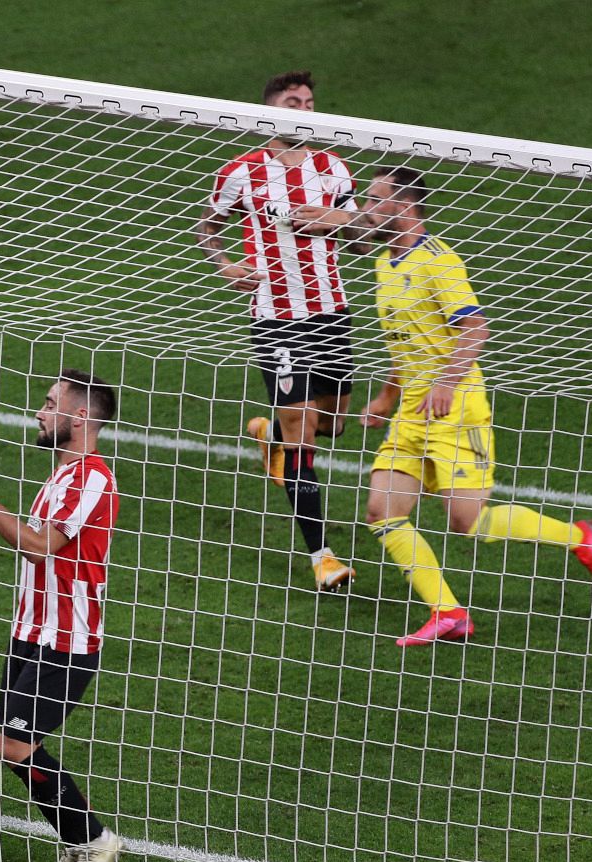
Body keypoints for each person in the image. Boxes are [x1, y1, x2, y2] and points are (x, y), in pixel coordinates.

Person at [357, 167, 592, 647]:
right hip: (412, 413)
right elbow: (407, 342)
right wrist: (386, 397)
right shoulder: (384, 264)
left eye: (374, 201)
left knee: (468, 523)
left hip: (455, 410)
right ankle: (449, 612)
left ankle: (582, 539)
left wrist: (446, 381)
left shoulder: (439, 262)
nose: (364, 211)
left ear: (404, 206)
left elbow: (475, 328)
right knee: (381, 511)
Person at [0, 370, 123, 862]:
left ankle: (95, 839)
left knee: (15, 746)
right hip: (30, 632)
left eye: (50, 404)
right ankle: (77, 845)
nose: (41, 413)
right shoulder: (59, 477)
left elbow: (38, 546)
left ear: (80, 416)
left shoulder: (93, 477)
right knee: (15, 744)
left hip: (67, 640)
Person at [197, 70, 365, 593]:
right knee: (302, 433)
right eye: (295, 101)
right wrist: (226, 265)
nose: (306, 109)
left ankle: (270, 437)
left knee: (333, 425)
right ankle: (322, 557)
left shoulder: (333, 168)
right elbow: (207, 224)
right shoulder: (241, 172)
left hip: (332, 314)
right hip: (275, 320)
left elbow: (362, 240)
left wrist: (333, 220)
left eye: (311, 102)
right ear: (271, 110)